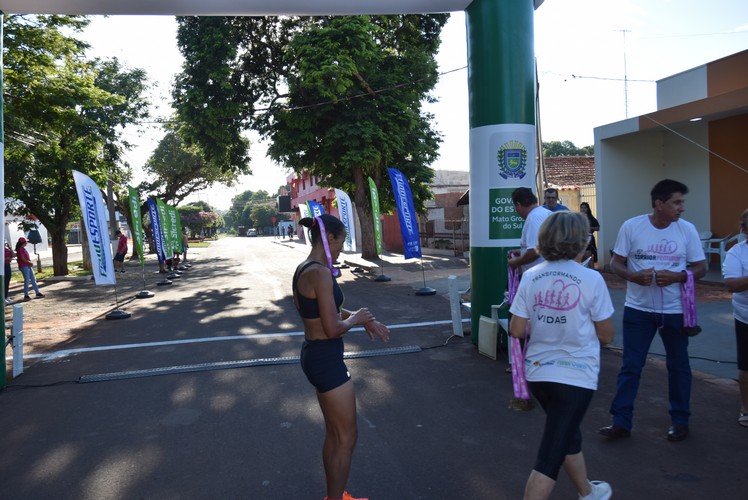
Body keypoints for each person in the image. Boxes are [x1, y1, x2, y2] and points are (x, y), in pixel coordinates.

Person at [509, 211, 615, 500]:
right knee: (550, 455)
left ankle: (588, 492)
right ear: (580, 241)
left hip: (539, 374)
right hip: (576, 376)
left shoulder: (531, 276)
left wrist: (545, 319)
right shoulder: (591, 279)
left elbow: (517, 329)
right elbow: (606, 335)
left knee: (566, 434)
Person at [600, 179, 706, 442]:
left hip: (675, 311)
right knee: (631, 366)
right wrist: (633, 277)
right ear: (659, 204)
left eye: (682, 202)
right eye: (676, 202)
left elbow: (700, 267)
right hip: (638, 310)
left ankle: (680, 421)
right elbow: (616, 263)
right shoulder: (632, 226)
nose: (682, 208)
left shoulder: (687, 230)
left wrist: (679, 276)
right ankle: (621, 421)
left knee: (679, 366)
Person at [292, 214, 390, 500]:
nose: (341, 247)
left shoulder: (306, 268)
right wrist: (356, 320)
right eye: (342, 240)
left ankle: (334, 496)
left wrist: (363, 318)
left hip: (317, 356)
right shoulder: (320, 273)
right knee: (347, 436)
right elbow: (333, 327)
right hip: (326, 359)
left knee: (336, 434)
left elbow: (327, 311)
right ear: (330, 238)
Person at [722, 208, 748, 428]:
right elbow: (732, 285)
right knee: (747, 365)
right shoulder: (736, 253)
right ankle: (746, 408)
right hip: (745, 316)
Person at [508, 187, 553, 273]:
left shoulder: (533, 218)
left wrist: (515, 262)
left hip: (538, 275)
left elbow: (535, 252)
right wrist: (522, 252)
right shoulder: (545, 213)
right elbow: (543, 247)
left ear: (518, 205)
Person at [15, 237, 44, 301]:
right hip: (24, 266)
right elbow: (22, 259)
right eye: (26, 242)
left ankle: (37, 292)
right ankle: (26, 294)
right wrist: (29, 262)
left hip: (28, 265)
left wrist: (29, 263)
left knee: (33, 279)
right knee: (27, 280)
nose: (27, 243)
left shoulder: (23, 249)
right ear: (23, 242)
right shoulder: (20, 250)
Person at [579, 202, 600, 266]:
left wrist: (589, 228)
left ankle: (591, 271)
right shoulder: (578, 218)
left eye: (585, 208)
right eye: (582, 208)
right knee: (581, 257)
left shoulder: (591, 218)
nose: (583, 209)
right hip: (579, 239)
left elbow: (598, 228)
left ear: (588, 209)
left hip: (589, 239)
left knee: (589, 257)